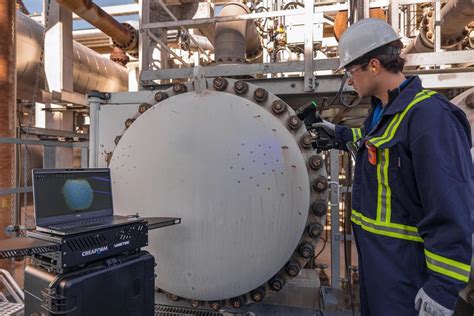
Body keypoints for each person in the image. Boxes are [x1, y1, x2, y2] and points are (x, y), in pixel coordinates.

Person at [311, 18, 474, 315]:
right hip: (378, 265)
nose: (349, 79)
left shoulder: (429, 117)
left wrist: (443, 287)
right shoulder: (383, 113)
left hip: (407, 270)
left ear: (374, 66)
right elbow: (381, 147)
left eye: (351, 70)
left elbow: (450, 204)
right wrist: (340, 135)